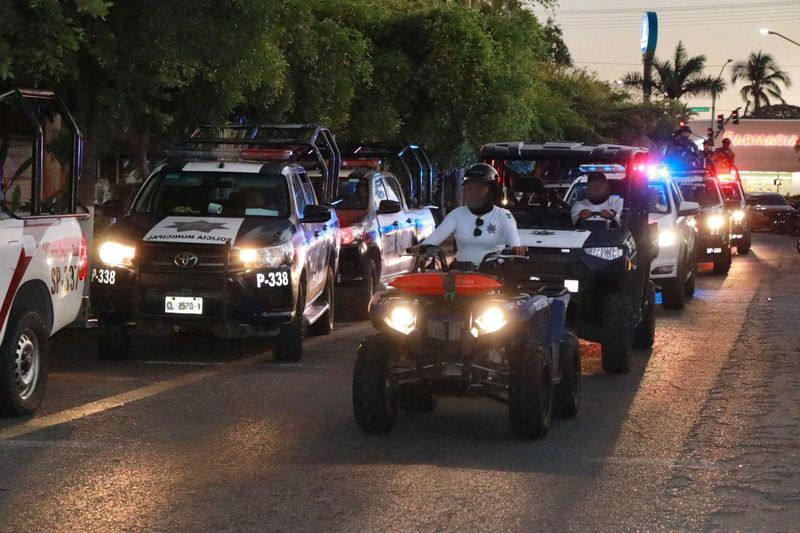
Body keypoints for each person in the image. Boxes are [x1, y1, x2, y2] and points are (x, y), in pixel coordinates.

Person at [422, 163, 525, 267]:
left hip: (494, 274)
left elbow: (513, 238)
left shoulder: (503, 215)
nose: (473, 193)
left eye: (479, 189)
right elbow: (433, 240)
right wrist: (421, 249)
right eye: (469, 188)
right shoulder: (457, 214)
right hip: (460, 274)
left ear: (492, 191)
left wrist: (516, 248)